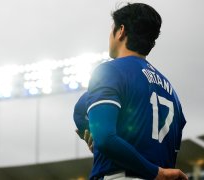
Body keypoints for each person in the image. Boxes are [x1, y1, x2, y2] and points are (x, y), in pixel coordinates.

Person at [74, 3, 187, 180]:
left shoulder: (110, 71)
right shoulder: (173, 94)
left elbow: (102, 136)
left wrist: (97, 137)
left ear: (121, 31)